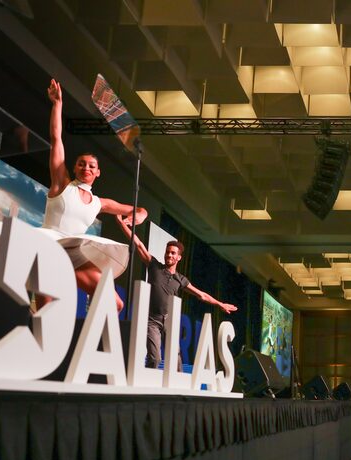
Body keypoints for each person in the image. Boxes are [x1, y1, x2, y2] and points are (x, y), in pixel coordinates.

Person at [39, 79, 147, 312]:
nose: (86, 168)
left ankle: (88, 343)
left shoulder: (100, 203)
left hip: (74, 254)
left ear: (98, 173)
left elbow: (139, 210)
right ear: (75, 168)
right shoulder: (61, 184)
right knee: (43, 315)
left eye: (91, 166)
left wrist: (139, 216)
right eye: (81, 164)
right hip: (49, 249)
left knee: (115, 304)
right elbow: (56, 139)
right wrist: (57, 104)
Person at [115, 217, 237, 368]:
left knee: (176, 361)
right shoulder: (154, 266)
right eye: (167, 252)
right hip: (152, 320)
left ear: (179, 257)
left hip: (170, 322)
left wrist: (220, 304)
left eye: (173, 253)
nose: (169, 255)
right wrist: (121, 224)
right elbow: (138, 244)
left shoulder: (181, 280)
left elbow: (202, 295)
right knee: (155, 358)